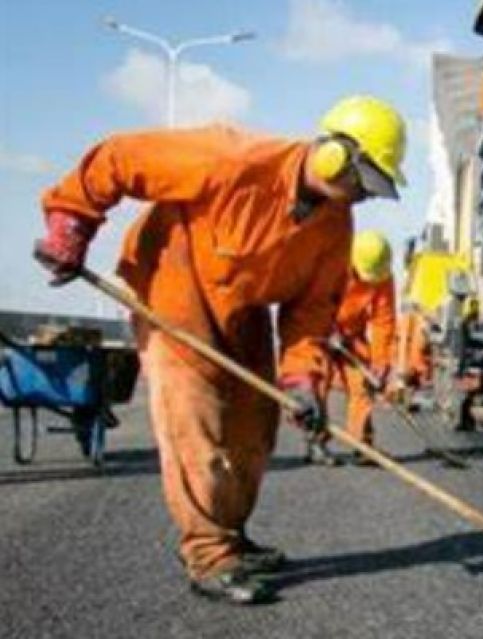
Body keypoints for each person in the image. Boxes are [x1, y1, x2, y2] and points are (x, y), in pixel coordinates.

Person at [33, 95, 407, 604]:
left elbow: (312, 311)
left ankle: (230, 532)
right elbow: (119, 158)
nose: (363, 197)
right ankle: (208, 552)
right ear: (334, 154)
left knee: (255, 429)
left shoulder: (335, 225)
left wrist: (303, 381)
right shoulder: (231, 158)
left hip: (243, 306)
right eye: (364, 182)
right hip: (174, 288)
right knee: (196, 424)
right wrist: (71, 222)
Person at [309, 230, 398, 467]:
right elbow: (312, 301)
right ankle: (317, 442)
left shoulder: (382, 275)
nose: (369, 282)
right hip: (321, 331)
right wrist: (328, 328)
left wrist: (380, 364)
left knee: (363, 384)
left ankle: (362, 445)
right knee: (319, 382)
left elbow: (383, 321)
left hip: (352, 336)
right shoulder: (330, 264)